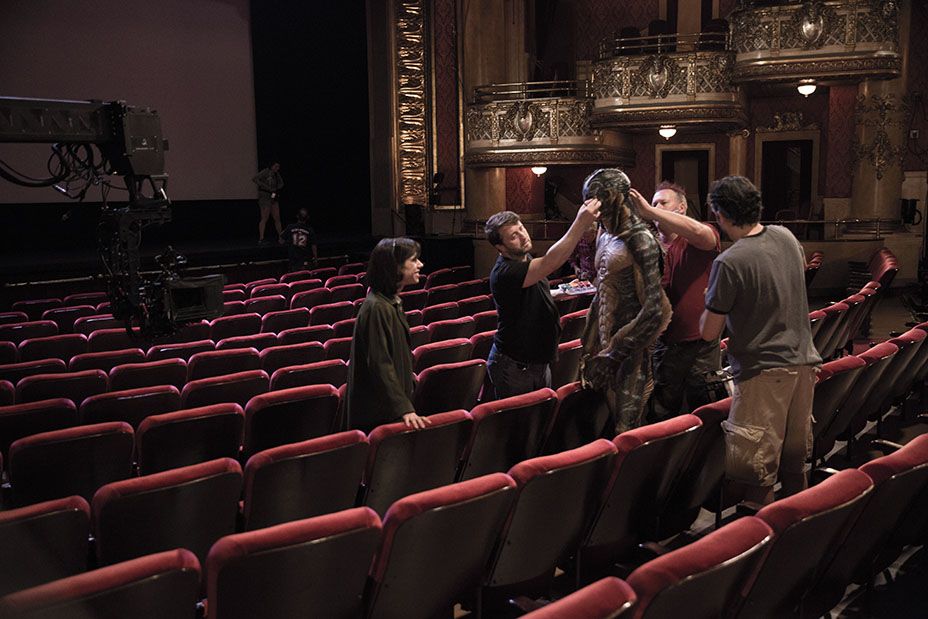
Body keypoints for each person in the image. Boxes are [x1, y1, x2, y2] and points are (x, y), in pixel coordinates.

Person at [700, 176, 821, 505]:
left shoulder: (729, 261)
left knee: (756, 472)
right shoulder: (786, 236)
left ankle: (763, 538)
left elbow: (709, 332)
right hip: (804, 365)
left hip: (763, 372)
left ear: (720, 214)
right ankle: (799, 528)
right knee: (794, 465)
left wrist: (710, 300)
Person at [579, 168, 672, 433]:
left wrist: (613, 355)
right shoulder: (604, 234)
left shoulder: (640, 240)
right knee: (606, 425)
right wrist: (589, 346)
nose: (589, 206)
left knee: (626, 430)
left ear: (613, 197)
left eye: (595, 199)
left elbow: (655, 310)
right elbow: (601, 293)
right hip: (604, 347)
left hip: (631, 352)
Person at [485, 199, 601, 399]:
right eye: (513, 236)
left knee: (540, 414)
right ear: (500, 247)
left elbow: (528, 295)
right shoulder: (506, 271)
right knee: (522, 418)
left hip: (537, 361)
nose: (523, 236)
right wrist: (580, 223)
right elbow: (551, 262)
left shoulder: (524, 257)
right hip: (515, 365)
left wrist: (561, 291)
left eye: (521, 229)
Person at [629, 181, 721, 420]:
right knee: (663, 410)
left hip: (701, 342)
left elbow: (703, 235)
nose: (656, 207)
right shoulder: (648, 246)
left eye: (663, 202)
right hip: (665, 342)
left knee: (706, 406)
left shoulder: (698, 235)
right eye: (654, 203)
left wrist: (650, 211)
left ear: (681, 208)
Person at [346, 237, 431, 433]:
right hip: (377, 414)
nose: (420, 264)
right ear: (395, 266)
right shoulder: (377, 307)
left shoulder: (389, 302)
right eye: (414, 260)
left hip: (388, 408)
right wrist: (404, 408)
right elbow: (380, 363)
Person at [253, 162, 284, 244]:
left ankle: (281, 237)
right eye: (276, 166)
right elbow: (255, 179)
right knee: (264, 218)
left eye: (278, 167)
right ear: (272, 165)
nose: (277, 168)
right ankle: (261, 238)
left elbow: (281, 183)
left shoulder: (276, 174)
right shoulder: (265, 172)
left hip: (273, 196)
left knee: (277, 218)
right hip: (265, 197)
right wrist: (266, 187)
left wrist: (275, 188)